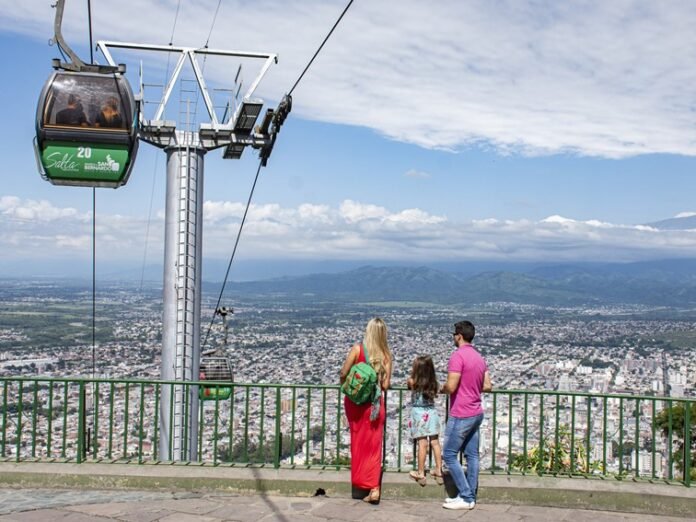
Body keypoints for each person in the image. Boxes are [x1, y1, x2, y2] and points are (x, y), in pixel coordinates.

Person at [339, 317, 392, 504]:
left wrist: (349, 388)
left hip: (355, 406)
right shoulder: (386, 355)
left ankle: (361, 482)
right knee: (374, 446)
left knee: (358, 443)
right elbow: (385, 385)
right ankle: (374, 487)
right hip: (375, 406)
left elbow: (343, 373)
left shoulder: (357, 350)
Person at [440, 320, 492, 510]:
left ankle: (466, 496)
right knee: (472, 456)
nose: (453, 337)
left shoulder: (457, 356)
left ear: (459, 335)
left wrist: (441, 388)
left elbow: (451, 386)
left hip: (461, 412)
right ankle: (469, 495)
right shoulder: (479, 357)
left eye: (454, 334)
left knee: (449, 454)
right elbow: (487, 386)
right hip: (476, 411)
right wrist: (471, 386)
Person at [406, 355, 443, 486]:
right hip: (431, 412)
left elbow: (409, 383)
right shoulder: (434, 383)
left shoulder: (413, 382)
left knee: (422, 444)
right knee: (435, 442)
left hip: (418, 414)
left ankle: (421, 473)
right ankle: (439, 470)